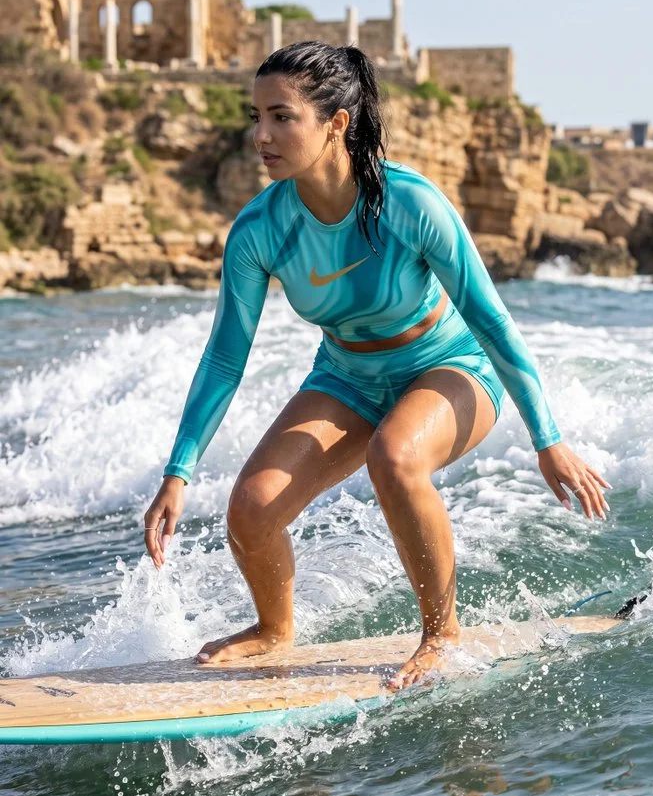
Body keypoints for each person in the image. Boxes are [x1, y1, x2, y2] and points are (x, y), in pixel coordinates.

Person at [143, 41, 610, 690]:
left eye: (281, 117)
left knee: (395, 455)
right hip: (348, 378)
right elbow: (226, 356)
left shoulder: (409, 203)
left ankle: (441, 634)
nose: (261, 136)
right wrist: (179, 471)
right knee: (251, 508)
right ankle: (274, 630)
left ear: (336, 123)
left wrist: (547, 439)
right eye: (257, 117)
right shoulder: (259, 229)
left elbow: (491, 321)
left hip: (450, 368)